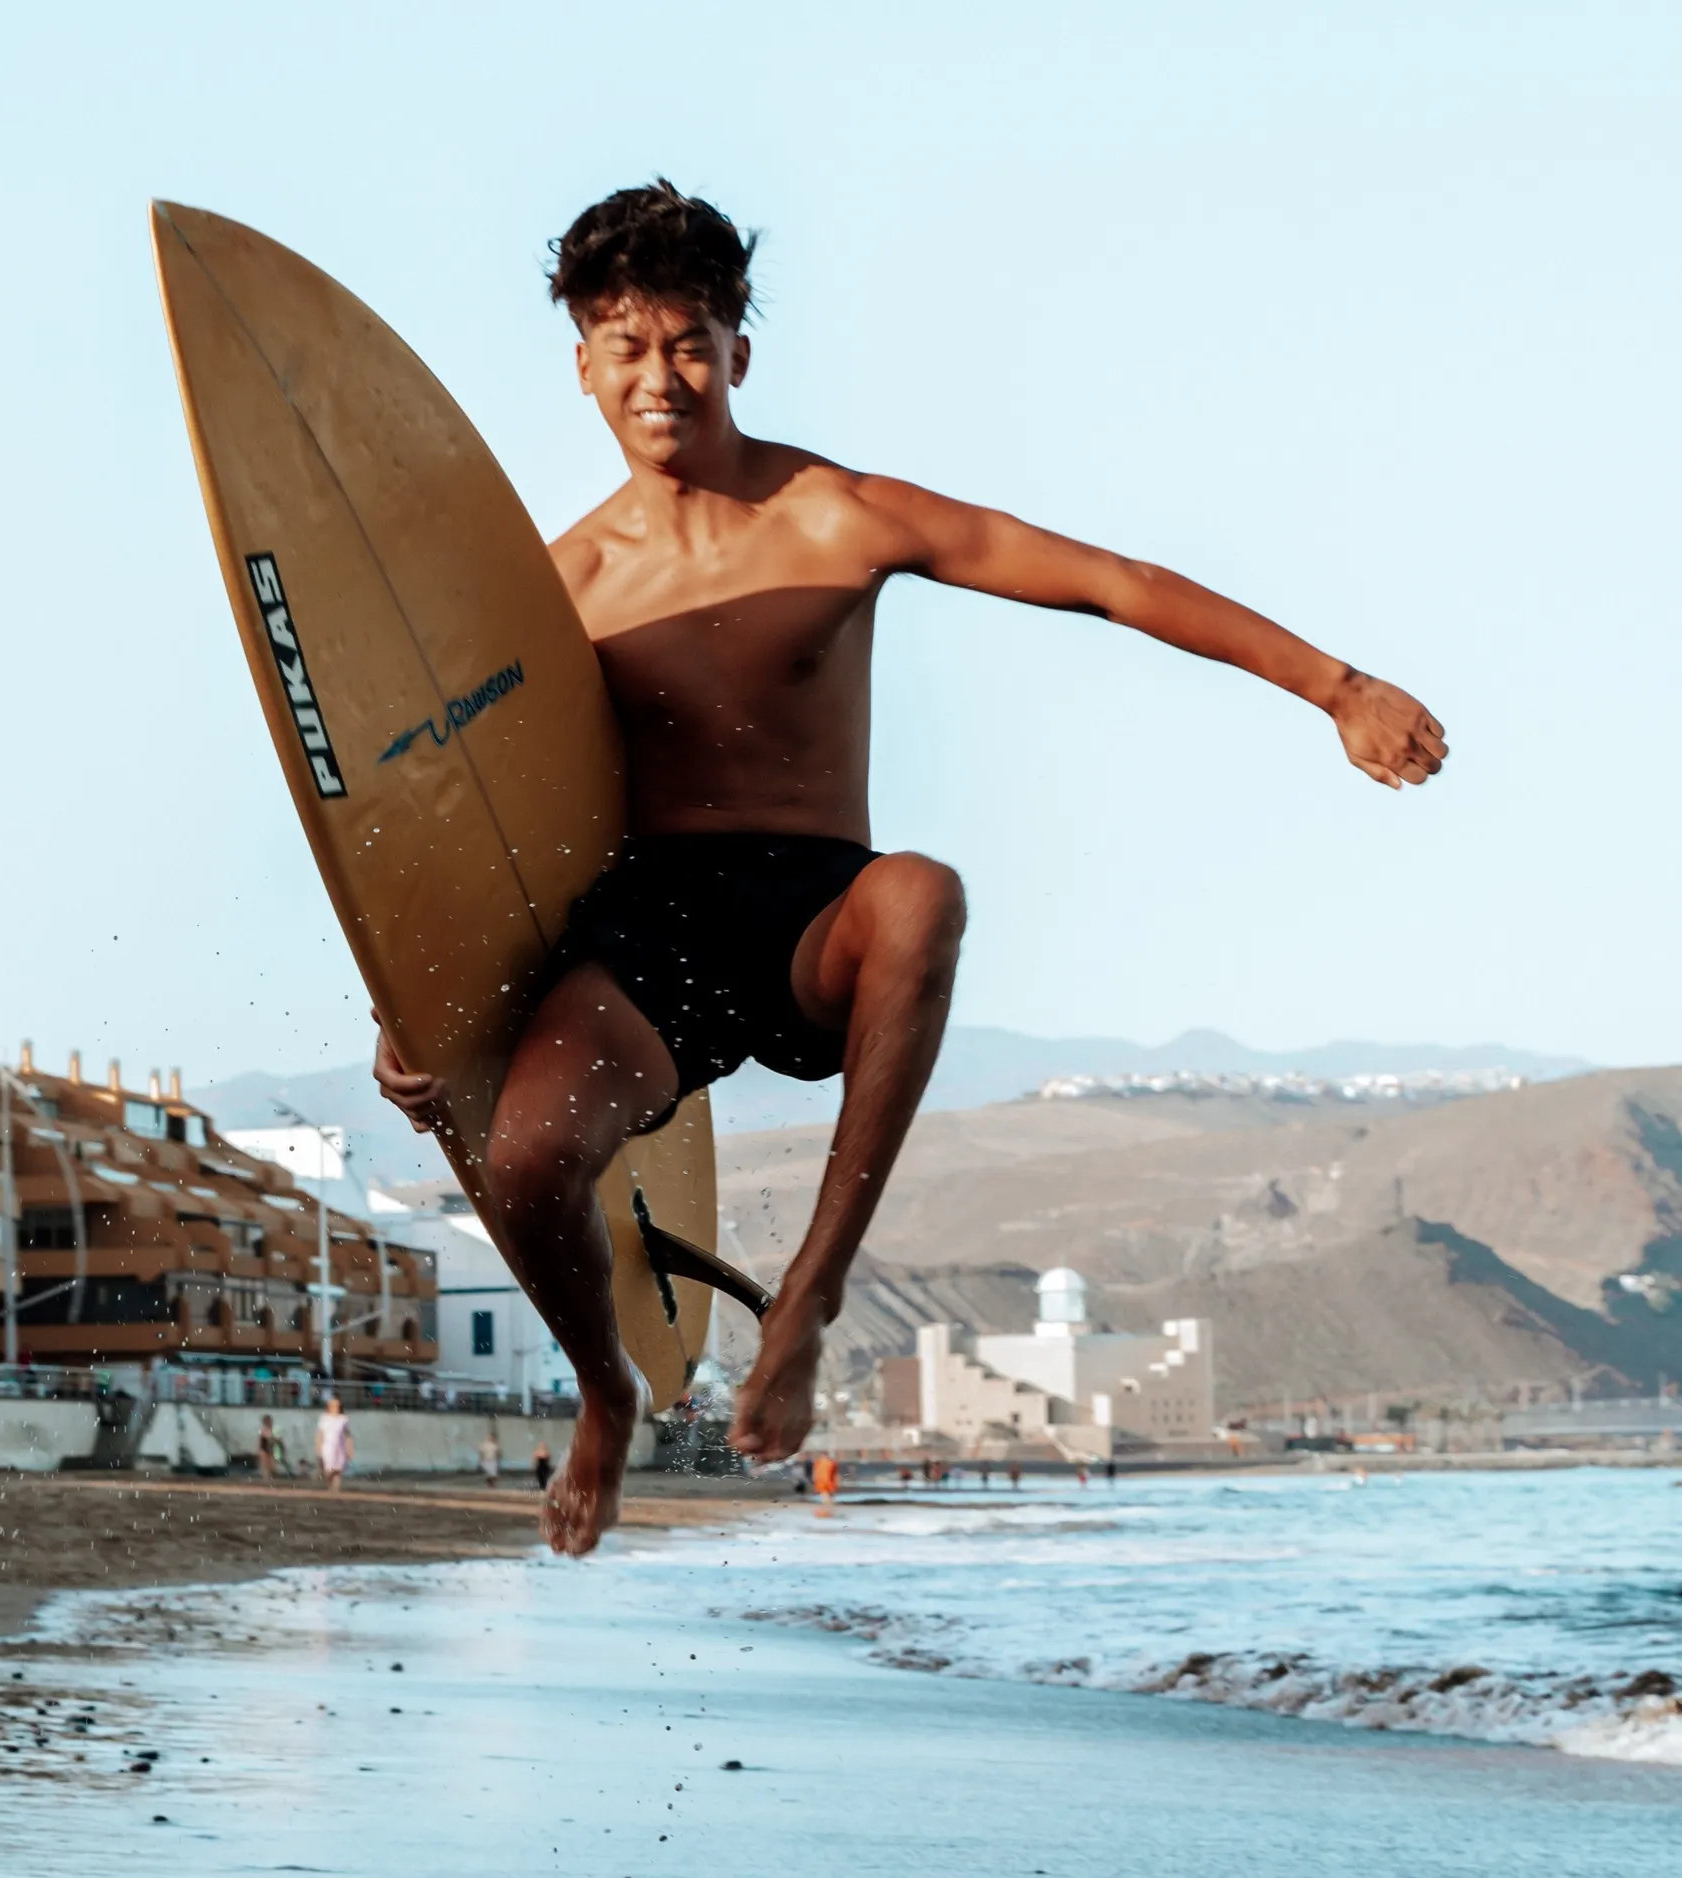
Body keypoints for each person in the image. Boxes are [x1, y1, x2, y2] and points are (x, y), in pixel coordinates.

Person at [374, 180, 1448, 1557]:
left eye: (690, 340)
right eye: (626, 346)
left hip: (819, 909)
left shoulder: (841, 514)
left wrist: (1337, 685)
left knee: (924, 888)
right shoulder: (559, 585)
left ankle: (811, 1291)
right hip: (654, 930)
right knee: (524, 1166)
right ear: (580, 362)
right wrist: (410, 1015)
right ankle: (603, 1393)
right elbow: (458, 808)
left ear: (738, 352)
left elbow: (1108, 579)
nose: (661, 376)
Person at [315, 1395, 352, 1492]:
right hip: (328, 1446)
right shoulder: (324, 1418)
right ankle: (329, 1485)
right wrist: (318, 1447)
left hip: (340, 1446)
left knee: (338, 1469)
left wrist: (350, 1448)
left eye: (336, 1406)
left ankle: (336, 1489)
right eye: (332, 1405)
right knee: (329, 1468)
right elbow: (320, 1434)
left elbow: (347, 1435)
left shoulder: (343, 1419)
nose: (334, 1408)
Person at [257, 1413, 280, 1484]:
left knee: (273, 1469)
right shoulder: (263, 1431)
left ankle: (270, 1481)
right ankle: (267, 1482)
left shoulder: (272, 1430)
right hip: (265, 1450)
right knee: (266, 1468)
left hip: (270, 1450)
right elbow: (261, 1442)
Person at [479, 1423, 503, 1488]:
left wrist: (499, 1458)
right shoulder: (485, 1444)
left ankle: (493, 1485)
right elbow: (481, 1452)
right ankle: (489, 1484)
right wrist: (481, 1460)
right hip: (486, 1460)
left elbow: (498, 1453)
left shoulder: (495, 1445)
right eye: (490, 1437)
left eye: (492, 1437)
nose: (491, 1438)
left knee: (494, 1474)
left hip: (493, 1460)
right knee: (489, 1474)